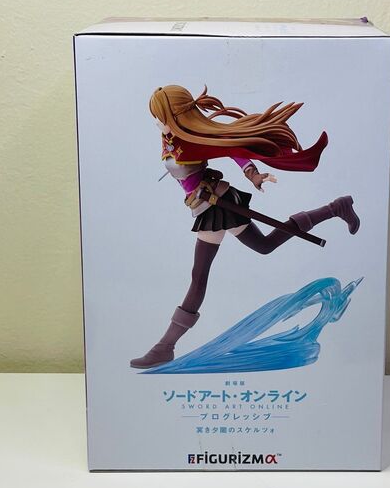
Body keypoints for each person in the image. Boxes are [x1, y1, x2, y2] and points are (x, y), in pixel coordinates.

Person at [130, 85, 360, 369]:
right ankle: (336, 208)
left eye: (159, 116)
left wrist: (252, 174)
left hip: (218, 204)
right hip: (205, 207)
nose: (156, 122)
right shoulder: (171, 137)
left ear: (172, 115)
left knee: (199, 276)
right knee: (262, 246)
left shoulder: (191, 141)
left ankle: (165, 347)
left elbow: (232, 149)